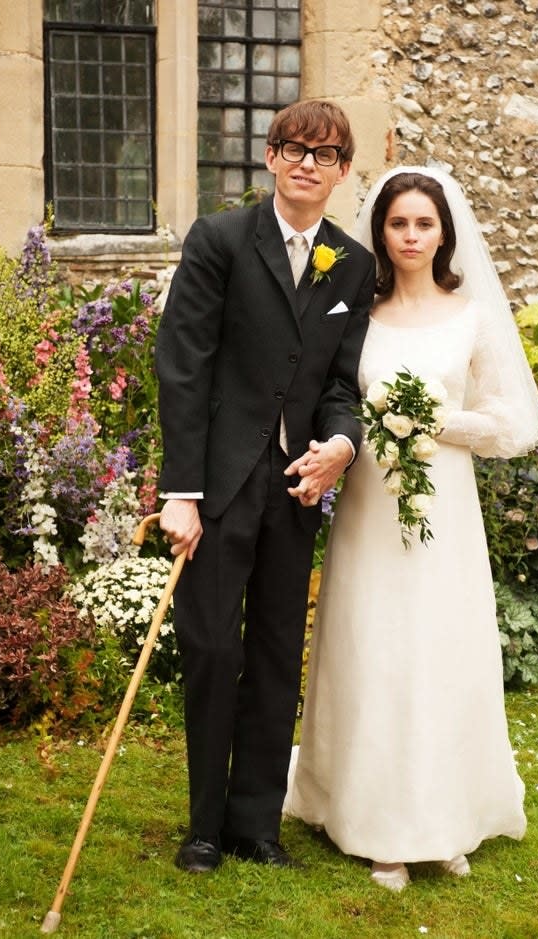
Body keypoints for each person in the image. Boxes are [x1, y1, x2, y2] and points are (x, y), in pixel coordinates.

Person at [283, 166, 538, 891]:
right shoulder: (356, 312)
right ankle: (379, 824)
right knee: (373, 648)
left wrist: (432, 423)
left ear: (443, 232)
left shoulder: (471, 316)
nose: (408, 236)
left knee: (439, 652)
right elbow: (327, 395)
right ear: (380, 231)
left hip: (445, 515)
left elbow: (512, 424)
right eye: (397, 224)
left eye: (422, 224)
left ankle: (446, 815)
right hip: (369, 508)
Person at [154, 99, 376, 874]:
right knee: (213, 646)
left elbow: (342, 382)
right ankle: (204, 827)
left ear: (344, 169)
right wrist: (179, 491)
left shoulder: (352, 263)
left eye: (324, 153)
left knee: (279, 649)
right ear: (271, 158)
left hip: (295, 488)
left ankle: (255, 824)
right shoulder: (219, 240)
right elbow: (182, 368)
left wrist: (341, 446)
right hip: (217, 484)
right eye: (293, 148)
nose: (307, 163)